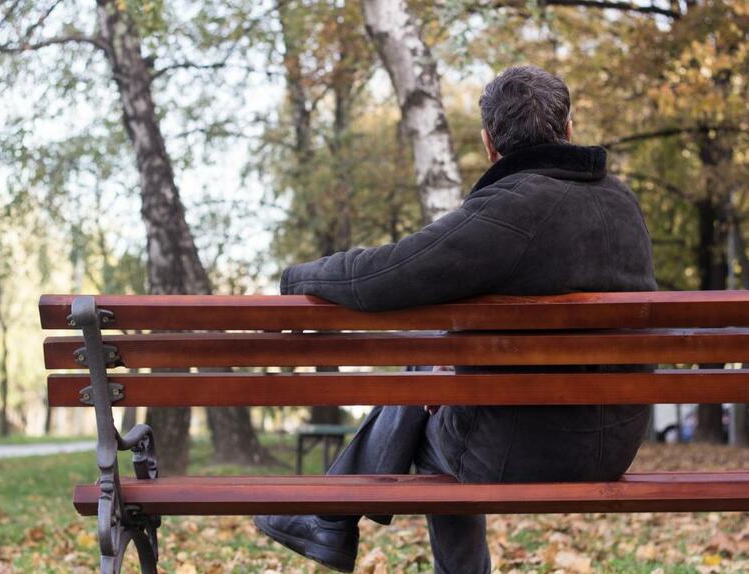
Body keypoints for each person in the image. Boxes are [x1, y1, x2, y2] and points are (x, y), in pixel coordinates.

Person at [254, 65, 657, 573]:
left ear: (490, 143)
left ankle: (333, 516)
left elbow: (384, 274)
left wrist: (299, 280)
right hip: (616, 443)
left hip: (526, 452)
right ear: (569, 128)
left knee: (425, 407)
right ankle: (329, 516)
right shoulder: (624, 203)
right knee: (434, 369)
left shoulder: (511, 209)